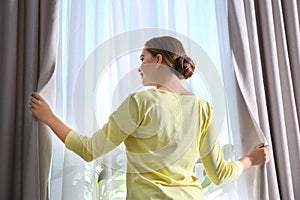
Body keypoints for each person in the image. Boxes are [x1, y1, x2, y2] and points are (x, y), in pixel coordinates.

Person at [30, 36, 271, 199]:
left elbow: (89, 149)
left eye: (142, 58)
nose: (139, 67)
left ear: (158, 60)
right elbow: (219, 173)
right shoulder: (203, 108)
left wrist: (49, 117)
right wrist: (250, 159)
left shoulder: (141, 102)